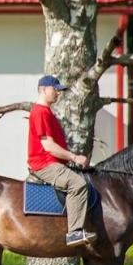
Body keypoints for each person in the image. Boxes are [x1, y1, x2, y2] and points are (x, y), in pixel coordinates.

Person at [27, 75, 95, 248]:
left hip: (51, 162)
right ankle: (74, 233)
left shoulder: (47, 112)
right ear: (43, 89)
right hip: (44, 164)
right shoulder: (40, 112)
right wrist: (75, 157)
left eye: (59, 90)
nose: (58, 93)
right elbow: (48, 146)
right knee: (78, 185)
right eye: (55, 89)